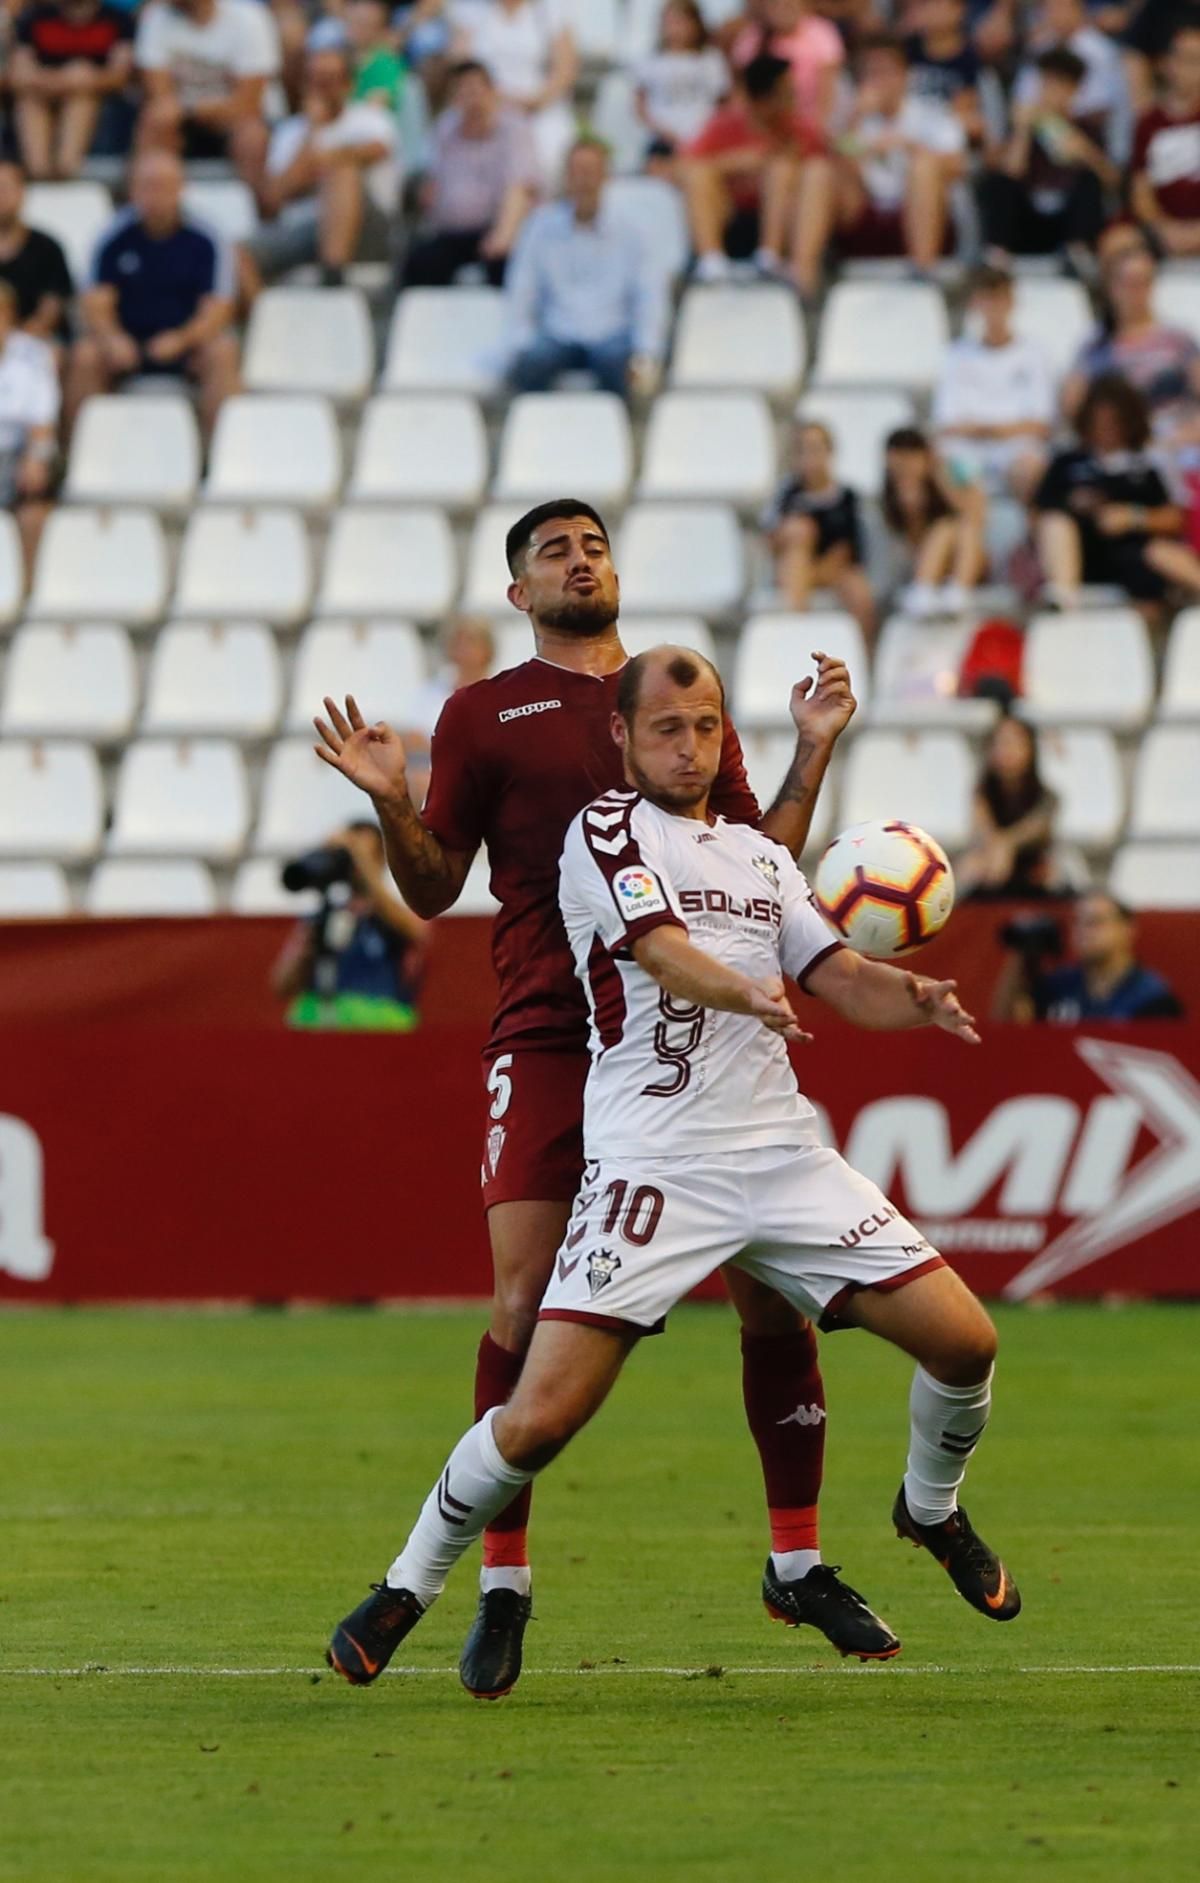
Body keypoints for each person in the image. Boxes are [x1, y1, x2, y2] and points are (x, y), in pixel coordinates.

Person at [324, 644, 1021, 1693]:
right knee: (541, 1415)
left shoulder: (763, 858)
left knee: (968, 1343)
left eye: (705, 729)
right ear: (623, 737)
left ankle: (928, 1506)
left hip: (783, 1156)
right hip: (658, 1163)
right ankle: (407, 1585)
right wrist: (743, 994)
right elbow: (656, 949)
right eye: (666, 729)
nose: (690, 748)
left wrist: (906, 995)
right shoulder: (604, 832)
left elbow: (838, 974)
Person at [311, 497, 864, 1697]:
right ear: (520, 592)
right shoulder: (483, 712)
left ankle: (797, 1556)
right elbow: (430, 886)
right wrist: (391, 798)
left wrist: (815, 747)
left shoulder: (669, 695)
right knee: (522, 1298)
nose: (580, 558)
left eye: (593, 543)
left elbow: (756, 854)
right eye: (553, 550)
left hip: (692, 1034)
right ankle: (502, 1578)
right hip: (552, 1032)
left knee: (772, 1303)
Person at [66, 150, 240, 437]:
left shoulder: (207, 238)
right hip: (127, 344)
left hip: (187, 345)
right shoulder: (112, 236)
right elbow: (95, 304)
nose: (156, 195)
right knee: (86, 356)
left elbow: (218, 309)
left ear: (182, 188)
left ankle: (223, 453)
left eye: (165, 186)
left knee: (223, 352)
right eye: (148, 185)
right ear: (133, 190)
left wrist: (183, 339)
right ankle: (76, 454)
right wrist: (113, 339)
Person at [789, 34, 967, 299]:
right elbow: (837, 162)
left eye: (885, 72)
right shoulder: (854, 118)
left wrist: (906, 146)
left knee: (923, 167)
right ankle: (802, 282)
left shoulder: (931, 114)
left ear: (905, 75)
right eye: (870, 73)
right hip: (865, 210)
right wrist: (855, 120)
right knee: (818, 171)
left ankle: (923, 270)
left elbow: (958, 166)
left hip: (922, 211)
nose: (878, 81)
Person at [504, 138, 667, 400]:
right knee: (528, 365)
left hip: (612, 334)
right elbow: (523, 287)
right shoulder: (541, 227)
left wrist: (646, 351)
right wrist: (519, 341)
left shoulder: (633, 230)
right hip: (558, 332)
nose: (584, 180)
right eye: (577, 172)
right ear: (566, 177)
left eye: (591, 171)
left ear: (606, 176)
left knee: (621, 368)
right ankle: (537, 437)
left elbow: (648, 294)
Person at [1033, 373, 1200, 616]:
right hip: (1082, 555)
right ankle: (1062, 599)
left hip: (1134, 557)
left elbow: (1174, 519)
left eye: (1114, 422)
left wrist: (1132, 517)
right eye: (1099, 421)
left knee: (1160, 555)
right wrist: (1074, 505)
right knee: (1055, 524)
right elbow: (1039, 512)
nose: (1105, 430)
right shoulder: (1067, 463)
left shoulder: (1147, 467)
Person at [247, 45, 399, 286]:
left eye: (329, 80)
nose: (322, 89)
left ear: (348, 85)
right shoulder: (290, 132)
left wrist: (313, 166)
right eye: (315, 80)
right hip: (306, 230)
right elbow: (273, 197)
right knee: (233, 253)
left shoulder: (372, 119)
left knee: (342, 174)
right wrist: (312, 130)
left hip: (368, 228)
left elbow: (375, 151)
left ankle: (332, 278)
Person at [1061, 244, 1200, 480]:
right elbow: (1072, 407)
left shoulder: (1178, 340)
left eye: (1143, 282)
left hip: (1177, 439)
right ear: (1112, 288)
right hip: (1120, 447)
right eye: (1128, 283)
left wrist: (1186, 434)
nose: (1136, 291)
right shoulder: (1096, 346)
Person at [271, 821, 427, 1030]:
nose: (353, 863)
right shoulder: (322, 917)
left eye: (362, 853)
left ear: (383, 859)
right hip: (323, 1027)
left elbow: (418, 932)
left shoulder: (393, 917)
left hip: (379, 1030)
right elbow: (282, 985)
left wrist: (364, 864)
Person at [682, 52, 820, 282]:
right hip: (730, 218)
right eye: (788, 92)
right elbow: (680, 167)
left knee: (782, 169)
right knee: (698, 173)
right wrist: (736, 163)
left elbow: (826, 177)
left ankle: (770, 256)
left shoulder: (802, 130)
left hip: (788, 222)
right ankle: (711, 262)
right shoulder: (723, 125)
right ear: (765, 98)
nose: (795, 98)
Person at [400, 60, 539, 288]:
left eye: (475, 90)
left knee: (508, 265)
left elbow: (520, 187)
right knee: (419, 263)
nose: (471, 100)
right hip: (452, 234)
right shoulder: (444, 130)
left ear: (492, 92)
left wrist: (503, 236)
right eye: (462, 92)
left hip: (499, 230)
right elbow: (430, 183)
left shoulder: (515, 129)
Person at [932, 264, 1054, 504]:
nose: (993, 307)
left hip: (1017, 451)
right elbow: (947, 424)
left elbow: (1041, 425)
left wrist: (984, 429)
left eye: (999, 298)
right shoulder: (957, 355)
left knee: (1030, 468)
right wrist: (1000, 429)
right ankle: (970, 535)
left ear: (1012, 302)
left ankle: (1030, 532)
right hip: (968, 452)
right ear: (975, 303)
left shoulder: (1035, 354)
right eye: (987, 298)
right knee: (945, 467)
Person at [977, 48, 1111, 265]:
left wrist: (1085, 152)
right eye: (1046, 83)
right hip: (1027, 220)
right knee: (998, 184)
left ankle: (1078, 252)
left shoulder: (1088, 128)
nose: (1050, 91)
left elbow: (1111, 180)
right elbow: (1010, 172)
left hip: (1065, 222)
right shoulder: (1022, 125)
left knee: (1089, 180)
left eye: (1059, 85)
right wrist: (1023, 131)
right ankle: (997, 254)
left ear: (1074, 90)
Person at [134, 0, 279, 183]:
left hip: (233, 122)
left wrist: (190, 109)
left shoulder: (249, 18)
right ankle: (150, 205)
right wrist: (185, 111)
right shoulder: (157, 17)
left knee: (252, 137)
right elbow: (160, 96)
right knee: (156, 120)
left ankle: (259, 208)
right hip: (183, 123)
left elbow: (248, 103)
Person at [762, 417, 875, 638]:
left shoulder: (847, 497)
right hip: (795, 568)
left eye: (816, 448)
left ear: (830, 452)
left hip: (836, 568)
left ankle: (864, 653)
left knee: (860, 592)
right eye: (803, 450)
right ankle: (797, 633)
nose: (810, 457)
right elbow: (772, 540)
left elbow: (848, 549)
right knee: (798, 543)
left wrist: (821, 570)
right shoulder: (787, 495)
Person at [995, 888, 1184, 1021]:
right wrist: (1020, 956)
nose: (1084, 931)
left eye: (1095, 922)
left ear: (1127, 929)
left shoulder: (1152, 998)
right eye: (1078, 922)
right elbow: (1008, 1027)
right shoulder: (1059, 987)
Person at [448, 0, 579, 188]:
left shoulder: (550, 10)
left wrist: (531, 103)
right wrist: (485, 100)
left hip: (537, 107)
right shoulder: (472, 10)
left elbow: (565, 71)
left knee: (550, 152)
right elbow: (460, 66)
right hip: (483, 105)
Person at [10, 0, 136, 181]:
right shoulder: (34, 17)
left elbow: (119, 77)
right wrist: (67, 79)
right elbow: (20, 75)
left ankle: (65, 171)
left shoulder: (118, 20)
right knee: (29, 99)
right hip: (44, 93)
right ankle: (39, 172)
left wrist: (88, 80)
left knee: (81, 99)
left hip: (97, 102)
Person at [881, 425, 987, 618]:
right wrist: (913, 513)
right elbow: (912, 547)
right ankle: (925, 588)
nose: (906, 468)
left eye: (911, 459)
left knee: (953, 527)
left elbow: (976, 520)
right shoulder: (893, 493)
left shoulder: (952, 474)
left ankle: (957, 590)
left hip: (969, 557)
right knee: (943, 530)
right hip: (928, 561)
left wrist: (942, 480)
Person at [1010, 0, 1132, 166]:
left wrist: (1052, 111)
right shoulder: (1039, 48)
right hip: (1040, 134)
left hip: (1095, 139)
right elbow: (1023, 100)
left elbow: (1098, 111)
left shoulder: (1101, 51)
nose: (1054, 14)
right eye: (1048, 8)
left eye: (1060, 6)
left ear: (1078, 8)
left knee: (1063, 136)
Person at [958, 715, 1059, 899]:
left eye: (1014, 742)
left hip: (1034, 877)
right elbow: (983, 834)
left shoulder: (1047, 797)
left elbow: (1034, 830)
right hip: (991, 873)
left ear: (1030, 749)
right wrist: (991, 853)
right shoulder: (982, 793)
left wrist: (1006, 845)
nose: (1005, 750)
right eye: (999, 743)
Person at [401, 615, 496, 803]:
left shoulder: (502, 690)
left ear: (487, 649)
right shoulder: (430, 690)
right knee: (417, 780)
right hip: (436, 774)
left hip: (483, 775)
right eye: (457, 642)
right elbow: (413, 739)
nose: (461, 649)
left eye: (469, 642)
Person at [0, 280, 60, 575]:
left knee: (34, 511)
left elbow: (42, 424)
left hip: (17, 455)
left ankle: (26, 589)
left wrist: (35, 459)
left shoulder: (34, 354)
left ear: (10, 317)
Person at [1130, 22, 1200, 260]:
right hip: (1161, 232)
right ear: (1167, 63)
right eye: (1184, 58)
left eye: (1196, 60)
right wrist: (1164, 229)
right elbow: (1141, 191)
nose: (1190, 68)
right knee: (1118, 243)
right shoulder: (1148, 122)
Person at [633, 0, 730, 169]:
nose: (674, 29)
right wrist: (662, 132)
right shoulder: (651, 61)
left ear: (695, 24)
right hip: (663, 140)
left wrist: (707, 132)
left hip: (705, 138)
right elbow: (640, 104)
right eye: (669, 22)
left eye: (680, 21)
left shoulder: (710, 59)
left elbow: (722, 101)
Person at [727, 0, 843, 128]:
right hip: (765, 124)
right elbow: (741, 89)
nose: (783, 9)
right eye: (777, 4)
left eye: (788, 4)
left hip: (809, 122)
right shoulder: (752, 38)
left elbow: (827, 91)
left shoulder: (820, 31)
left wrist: (816, 129)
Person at [0, 163, 74, 344]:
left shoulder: (47, 248)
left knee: (53, 354)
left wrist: (19, 339)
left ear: (22, 192)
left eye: (4, 189)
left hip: (36, 339)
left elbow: (52, 306)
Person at [345, 0, 407, 113]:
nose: (356, 29)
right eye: (354, 22)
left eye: (364, 24)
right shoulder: (346, 59)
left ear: (380, 29)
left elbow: (377, 106)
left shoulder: (385, 63)